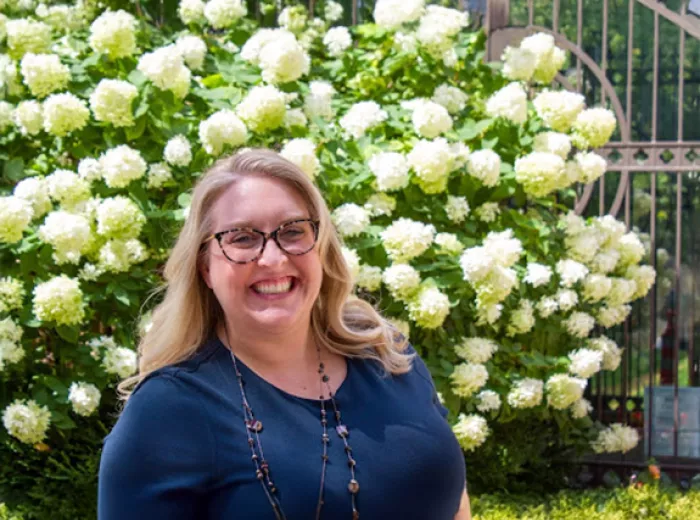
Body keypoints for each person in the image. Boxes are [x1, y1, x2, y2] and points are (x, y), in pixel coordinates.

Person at [98, 149, 470, 519]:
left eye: (293, 231)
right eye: (242, 238)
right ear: (205, 267)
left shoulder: (385, 352)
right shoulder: (169, 411)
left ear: (321, 247)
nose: (273, 259)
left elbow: (454, 500)